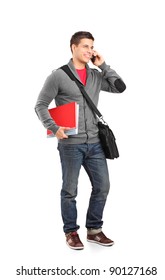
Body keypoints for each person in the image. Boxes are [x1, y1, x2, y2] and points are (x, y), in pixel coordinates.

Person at [35, 31, 126, 250]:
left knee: (103, 186)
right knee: (70, 190)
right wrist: (53, 127)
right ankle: (71, 232)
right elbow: (40, 105)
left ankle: (94, 231)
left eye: (92, 46)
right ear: (73, 47)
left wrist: (103, 66)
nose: (89, 51)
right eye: (85, 46)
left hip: (95, 143)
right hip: (70, 144)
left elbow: (119, 87)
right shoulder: (58, 75)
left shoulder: (95, 75)